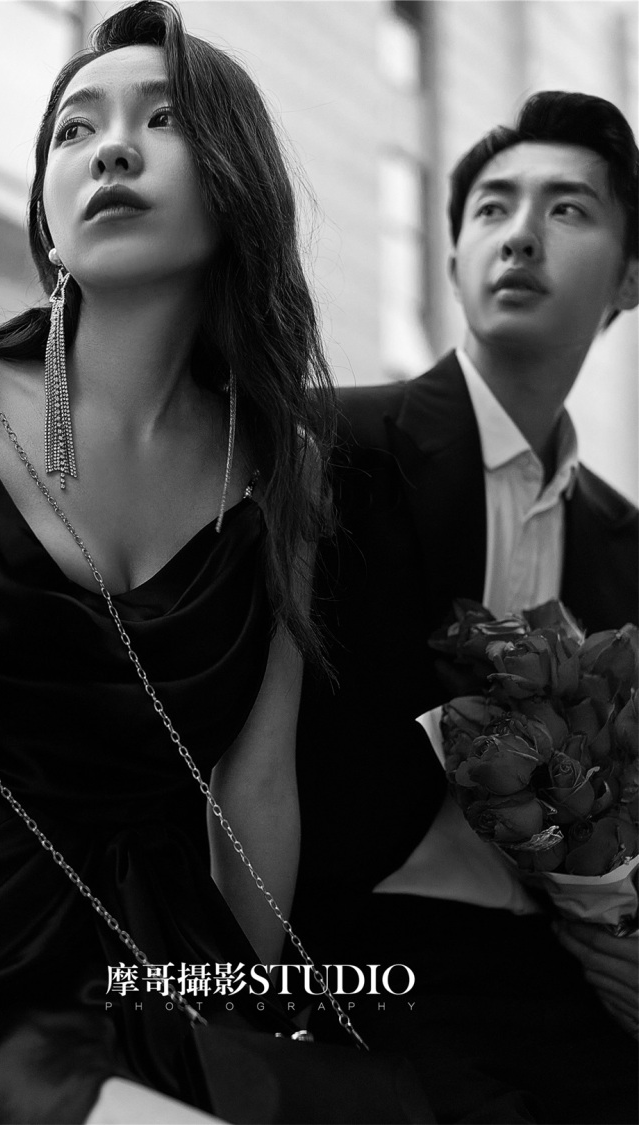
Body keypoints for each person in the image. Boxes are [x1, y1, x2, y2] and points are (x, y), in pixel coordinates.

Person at [0, 3, 340, 1121]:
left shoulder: (281, 467)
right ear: (47, 213)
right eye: (75, 129)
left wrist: (253, 1024)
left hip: (165, 958)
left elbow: (255, 787)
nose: (112, 151)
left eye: (164, 119)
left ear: (238, 186)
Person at [296, 91, 638, 1124]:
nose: (521, 235)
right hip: (355, 959)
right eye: (493, 208)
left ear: (629, 278)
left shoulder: (629, 544)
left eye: (567, 209)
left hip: (560, 974)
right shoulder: (328, 449)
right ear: (453, 263)